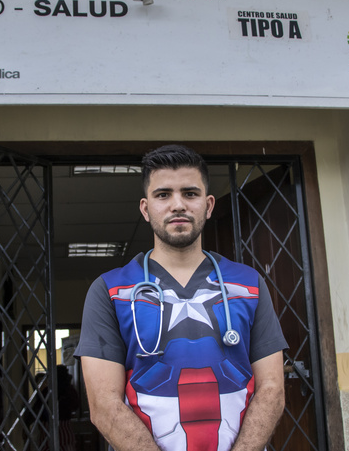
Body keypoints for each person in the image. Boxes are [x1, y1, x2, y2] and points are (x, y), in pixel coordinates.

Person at [75, 144, 287, 451]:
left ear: (209, 205)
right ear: (146, 209)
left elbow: (272, 390)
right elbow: (104, 405)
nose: (178, 205)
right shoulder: (109, 290)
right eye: (163, 195)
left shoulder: (249, 284)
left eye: (190, 193)